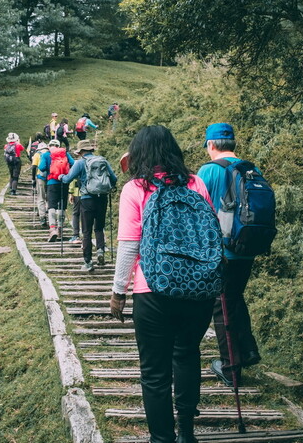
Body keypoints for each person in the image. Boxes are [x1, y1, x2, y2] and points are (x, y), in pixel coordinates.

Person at [109, 126, 214, 443]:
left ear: (138, 153)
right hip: (198, 290)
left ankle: (161, 439)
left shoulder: (135, 188)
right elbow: (211, 236)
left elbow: (129, 246)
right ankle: (187, 431)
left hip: (153, 290)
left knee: (154, 373)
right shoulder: (196, 182)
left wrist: (118, 293)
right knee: (187, 354)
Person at [196, 122, 261, 387]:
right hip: (248, 247)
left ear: (211, 145)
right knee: (233, 298)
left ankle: (231, 369)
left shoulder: (208, 170)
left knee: (221, 307)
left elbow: (199, 212)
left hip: (222, 251)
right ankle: (248, 352)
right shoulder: (251, 168)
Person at [60, 139, 118, 272]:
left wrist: (61, 178)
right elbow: (113, 178)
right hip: (102, 198)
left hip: (86, 199)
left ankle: (88, 262)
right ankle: (100, 251)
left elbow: (68, 178)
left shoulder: (80, 163)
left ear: (80, 152)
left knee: (86, 231)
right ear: (91, 149)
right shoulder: (102, 160)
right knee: (99, 227)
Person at [38, 139, 75, 241]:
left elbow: (41, 167)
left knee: (52, 206)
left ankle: (53, 229)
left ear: (49, 146)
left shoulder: (46, 155)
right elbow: (73, 163)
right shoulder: (65, 154)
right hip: (64, 182)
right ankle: (60, 228)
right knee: (62, 206)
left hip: (52, 183)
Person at [31, 141, 49, 226]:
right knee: (49, 197)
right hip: (51, 178)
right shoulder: (50, 153)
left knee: (41, 197)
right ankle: (49, 212)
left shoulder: (37, 154)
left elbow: (34, 166)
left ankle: (42, 217)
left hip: (40, 177)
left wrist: (33, 179)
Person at [67, 178, 82, 244]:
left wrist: (71, 192)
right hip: (90, 193)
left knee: (76, 214)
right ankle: (86, 237)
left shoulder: (77, 167)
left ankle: (76, 235)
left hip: (78, 193)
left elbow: (73, 178)